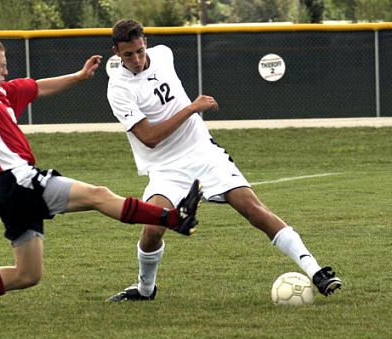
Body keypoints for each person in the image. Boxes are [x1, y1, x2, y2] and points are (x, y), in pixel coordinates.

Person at [0, 37, 203, 320]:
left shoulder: (5, 92)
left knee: (27, 274)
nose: (6, 71)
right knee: (98, 195)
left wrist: (79, 77)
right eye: (2, 66)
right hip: (21, 182)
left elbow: (40, 86)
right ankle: (175, 219)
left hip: (12, 192)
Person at [105, 19, 342, 302]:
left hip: (203, 152)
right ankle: (145, 290)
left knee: (253, 209)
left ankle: (316, 272)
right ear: (116, 53)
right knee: (152, 228)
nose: (137, 59)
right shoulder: (118, 89)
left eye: (140, 50)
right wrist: (192, 108)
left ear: (146, 43)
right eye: (128, 54)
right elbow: (150, 137)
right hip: (165, 166)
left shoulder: (164, 54)